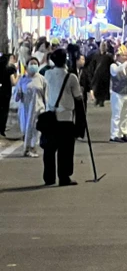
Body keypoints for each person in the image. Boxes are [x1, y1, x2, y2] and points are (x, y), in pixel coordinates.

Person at [41, 48, 85, 186]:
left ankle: (49, 177)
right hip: (65, 118)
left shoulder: (47, 74)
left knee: (49, 150)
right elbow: (78, 97)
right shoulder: (71, 77)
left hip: (51, 117)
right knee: (65, 150)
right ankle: (64, 177)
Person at [13, 57, 46, 156]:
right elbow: (16, 97)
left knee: (36, 129)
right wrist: (18, 94)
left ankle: (32, 147)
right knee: (26, 129)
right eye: (31, 63)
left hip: (38, 109)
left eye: (35, 63)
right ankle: (27, 148)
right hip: (25, 109)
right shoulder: (22, 80)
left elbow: (46, 95)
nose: (33, 65)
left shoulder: (42, 79)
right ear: (27, 66)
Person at [109, 46, 127, 143]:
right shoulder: (113, 66)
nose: (125, 57)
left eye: (125, 55)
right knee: (117, 115)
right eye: (123, 55)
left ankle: (122, 133)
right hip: (117, 94)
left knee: (125, 115)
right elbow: (116, 71)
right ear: (118, 56)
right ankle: (114, 135)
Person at [90, 42, 113, 108]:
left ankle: (101, 101)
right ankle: (97, 99)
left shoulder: (109, 56)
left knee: (104, 88)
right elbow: (93, 65)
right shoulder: (96, 55)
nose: (103, 47)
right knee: (96, 88)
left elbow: (112, 65)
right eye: (102, 46)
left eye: (104, 46)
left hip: (105, 75)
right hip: (97, 75)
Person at [0, 53, 14, 138]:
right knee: (4, 111)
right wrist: (19, 77)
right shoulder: (10, 69)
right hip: (6, 93)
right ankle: (2, 129)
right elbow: (14, 82)